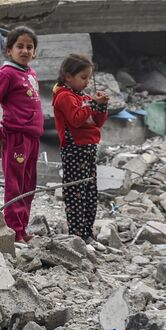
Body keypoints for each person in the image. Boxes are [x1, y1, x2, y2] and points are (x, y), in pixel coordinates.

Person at [0, 26, 46, 243]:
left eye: (30, 47)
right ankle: (13, 231)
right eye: (20, 46)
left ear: (34, 52)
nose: (25, 50)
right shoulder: (7, 73)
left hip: (32, 138)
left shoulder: (29, 73)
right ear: (9, 50)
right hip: (16, 138)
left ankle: (22, 228)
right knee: (15, 185)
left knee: (28, 185)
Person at [51, 53, 109, 240]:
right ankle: (77, 236)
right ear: (68, 76)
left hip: (89, 149)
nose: (87, 82)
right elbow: (76, 120)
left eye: (89, 78)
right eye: (83, 77)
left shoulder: (82, 96)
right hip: (74, 150)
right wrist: (92, 103)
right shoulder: (64, 97)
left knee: (90, 194)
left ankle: (87, 233)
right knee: (76, 195)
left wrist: (101, 106)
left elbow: (96, 123)